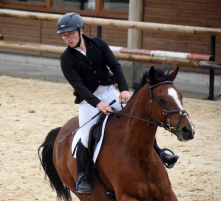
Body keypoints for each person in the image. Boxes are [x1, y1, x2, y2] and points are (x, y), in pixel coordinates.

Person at [57, 12, 179, 195]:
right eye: (64, 36)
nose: (68, 38)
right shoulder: (66, 59)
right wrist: (98, 104)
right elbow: (78, 86)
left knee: (139, 118)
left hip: (110, 92)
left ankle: (159, 152)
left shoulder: (98, 44)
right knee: (85, 133)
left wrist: (123, 89)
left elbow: (115, 66)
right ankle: (83, 175)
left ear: (81, 30)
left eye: (71, 34)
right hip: (88, 101)